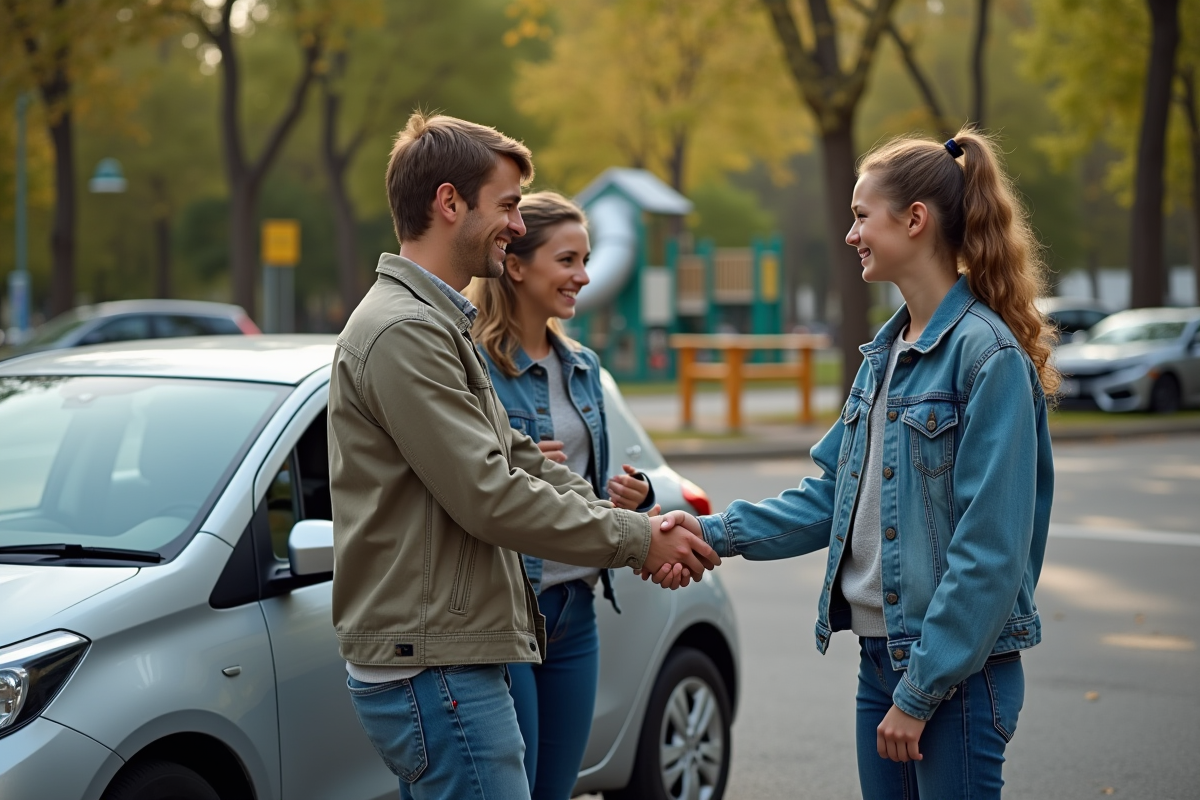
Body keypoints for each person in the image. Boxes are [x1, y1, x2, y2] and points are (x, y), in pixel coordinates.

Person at [653, 128, 1058, 798]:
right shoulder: (887, 355)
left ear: (916, 220)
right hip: (881, 663)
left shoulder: (988, 358)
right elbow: (829, 499)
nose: (851, 235)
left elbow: (989, 552)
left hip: (953, 675)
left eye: (861, 216)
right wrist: (709, 535)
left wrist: (922, 690)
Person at [327, 112, 718, 800]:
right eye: (506, 205)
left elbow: (516, 461)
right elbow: (489, 494)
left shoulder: (437, 325)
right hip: (436, 669)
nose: (514, 224)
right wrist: (634, 541)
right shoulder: (405, 332)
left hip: (448, 660)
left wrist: (634, 528)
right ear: (450, 203)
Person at [465, 192, 654, 800]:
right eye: (568, 260)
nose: (584, 276)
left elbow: (589, 494)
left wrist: (635, 498)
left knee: (557, 790)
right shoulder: (472, 365)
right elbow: (466, 487)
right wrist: (516, 468)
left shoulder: (583, 367)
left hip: (577, 611)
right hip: (507, 611)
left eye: (587, 259)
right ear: (516, 265)